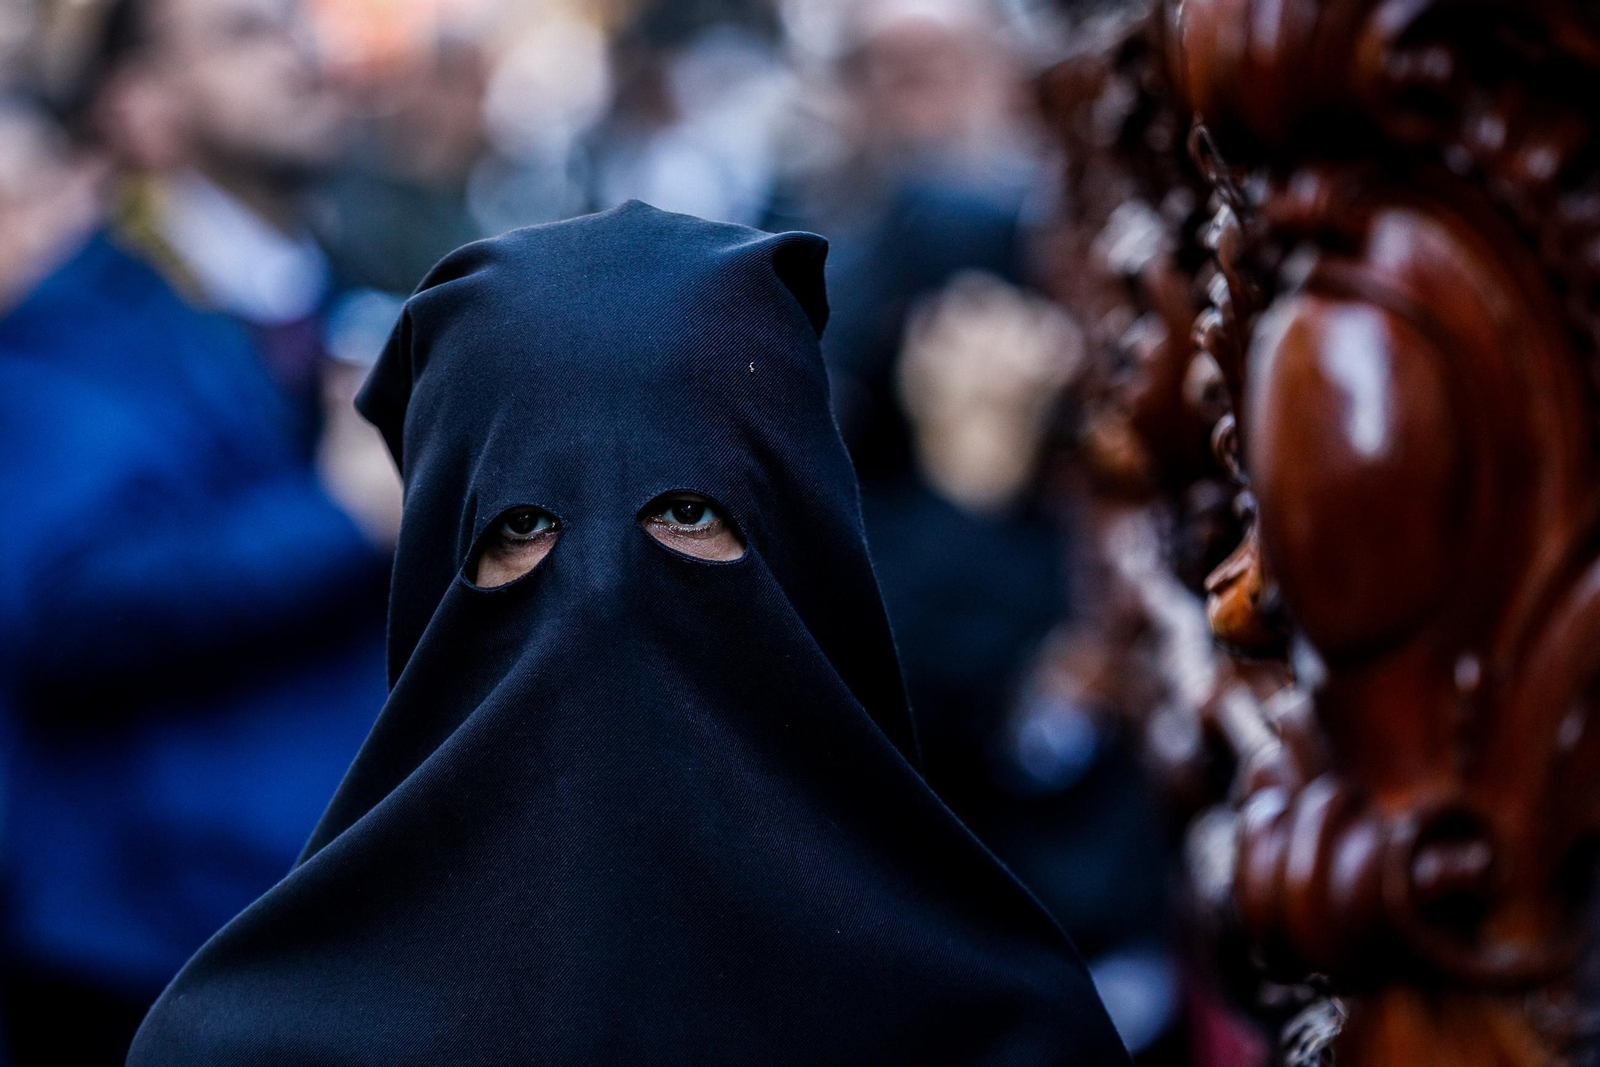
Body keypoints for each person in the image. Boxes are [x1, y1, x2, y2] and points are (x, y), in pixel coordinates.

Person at [127, 201, 1131, 1065]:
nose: (605, 589)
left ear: (800, 539)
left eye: (688, 514)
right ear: (438, 561)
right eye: (522, 528)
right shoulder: (249, 1039)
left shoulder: (992, 1024)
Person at [0, 0, 391, 1060]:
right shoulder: (77, 329)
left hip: (341, 926)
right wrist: (342, 516)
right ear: (141, 106)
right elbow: (68, 603)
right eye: (241, 32)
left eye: (293, 25)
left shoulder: (368, 304)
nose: (297, 54)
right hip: (149, 965)